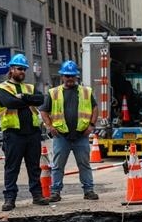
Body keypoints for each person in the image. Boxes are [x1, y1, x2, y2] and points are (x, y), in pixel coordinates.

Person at [0, 53, 48, 211]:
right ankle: (9, 198)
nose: (22, 72)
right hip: (13, 134)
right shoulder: (2, 88)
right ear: (11, 69)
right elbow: (10, 102)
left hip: (32, 133)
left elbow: (41, 99)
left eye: (24, 69)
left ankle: (37, 195)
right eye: (19, 69)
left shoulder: (28, 87)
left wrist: (23, 97)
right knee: (12, 167)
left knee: (34, 166)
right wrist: (27, 100)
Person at [40, 60, 99, 202]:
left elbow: (95, 108)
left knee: (84, 164)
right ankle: (55, 192)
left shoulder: (86, 92)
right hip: (61, 136)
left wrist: (91, 125)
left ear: (76, 77)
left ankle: (88, 190)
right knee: (58, 166)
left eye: (72, 76)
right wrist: (50, 126)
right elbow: (43, 110)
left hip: (81, 135)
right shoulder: (53, 93)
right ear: (62, 77)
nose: (70, 78)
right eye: (67, 76)